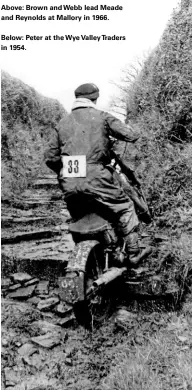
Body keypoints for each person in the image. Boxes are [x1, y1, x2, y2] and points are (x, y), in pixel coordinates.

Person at [44, 83, 142, 266]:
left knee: (79, 214)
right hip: (97, 176)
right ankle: (134, 252)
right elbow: (132, 135)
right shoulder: (102, 117)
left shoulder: (63, 122)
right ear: (95, 99)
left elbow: (50, 158)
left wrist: (66, 171)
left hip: (70, 180)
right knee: (124, 206)